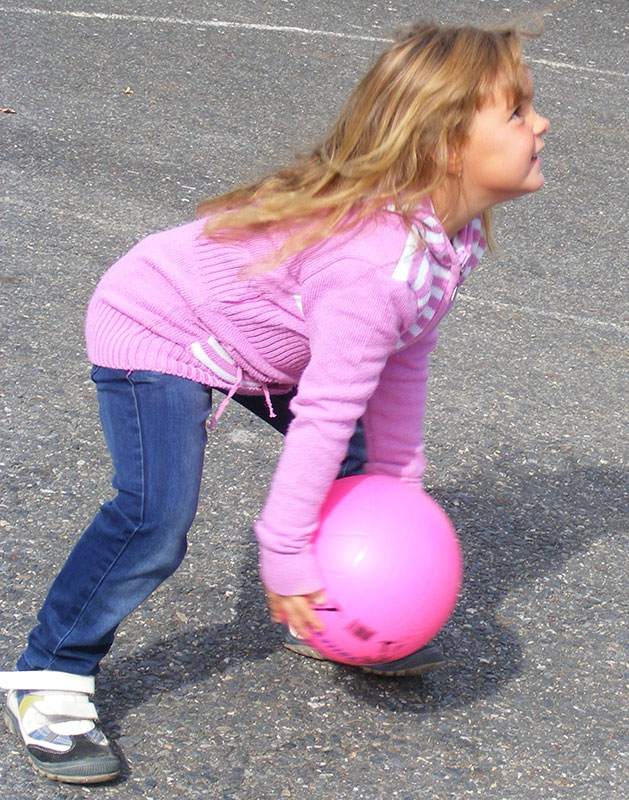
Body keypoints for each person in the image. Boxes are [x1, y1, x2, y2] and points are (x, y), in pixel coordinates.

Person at [0, 19, 549, 785]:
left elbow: (403, 360)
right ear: (444, 147)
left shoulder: (446, 242)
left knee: (356, 463)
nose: (540, 123)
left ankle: (327, 613)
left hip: (263, 345)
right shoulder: (370, 263)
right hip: (160, 328)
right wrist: (284, 552)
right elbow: (326, 409)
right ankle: (51, 672)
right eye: (516, 112)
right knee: (155, 516)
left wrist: (394, 487)